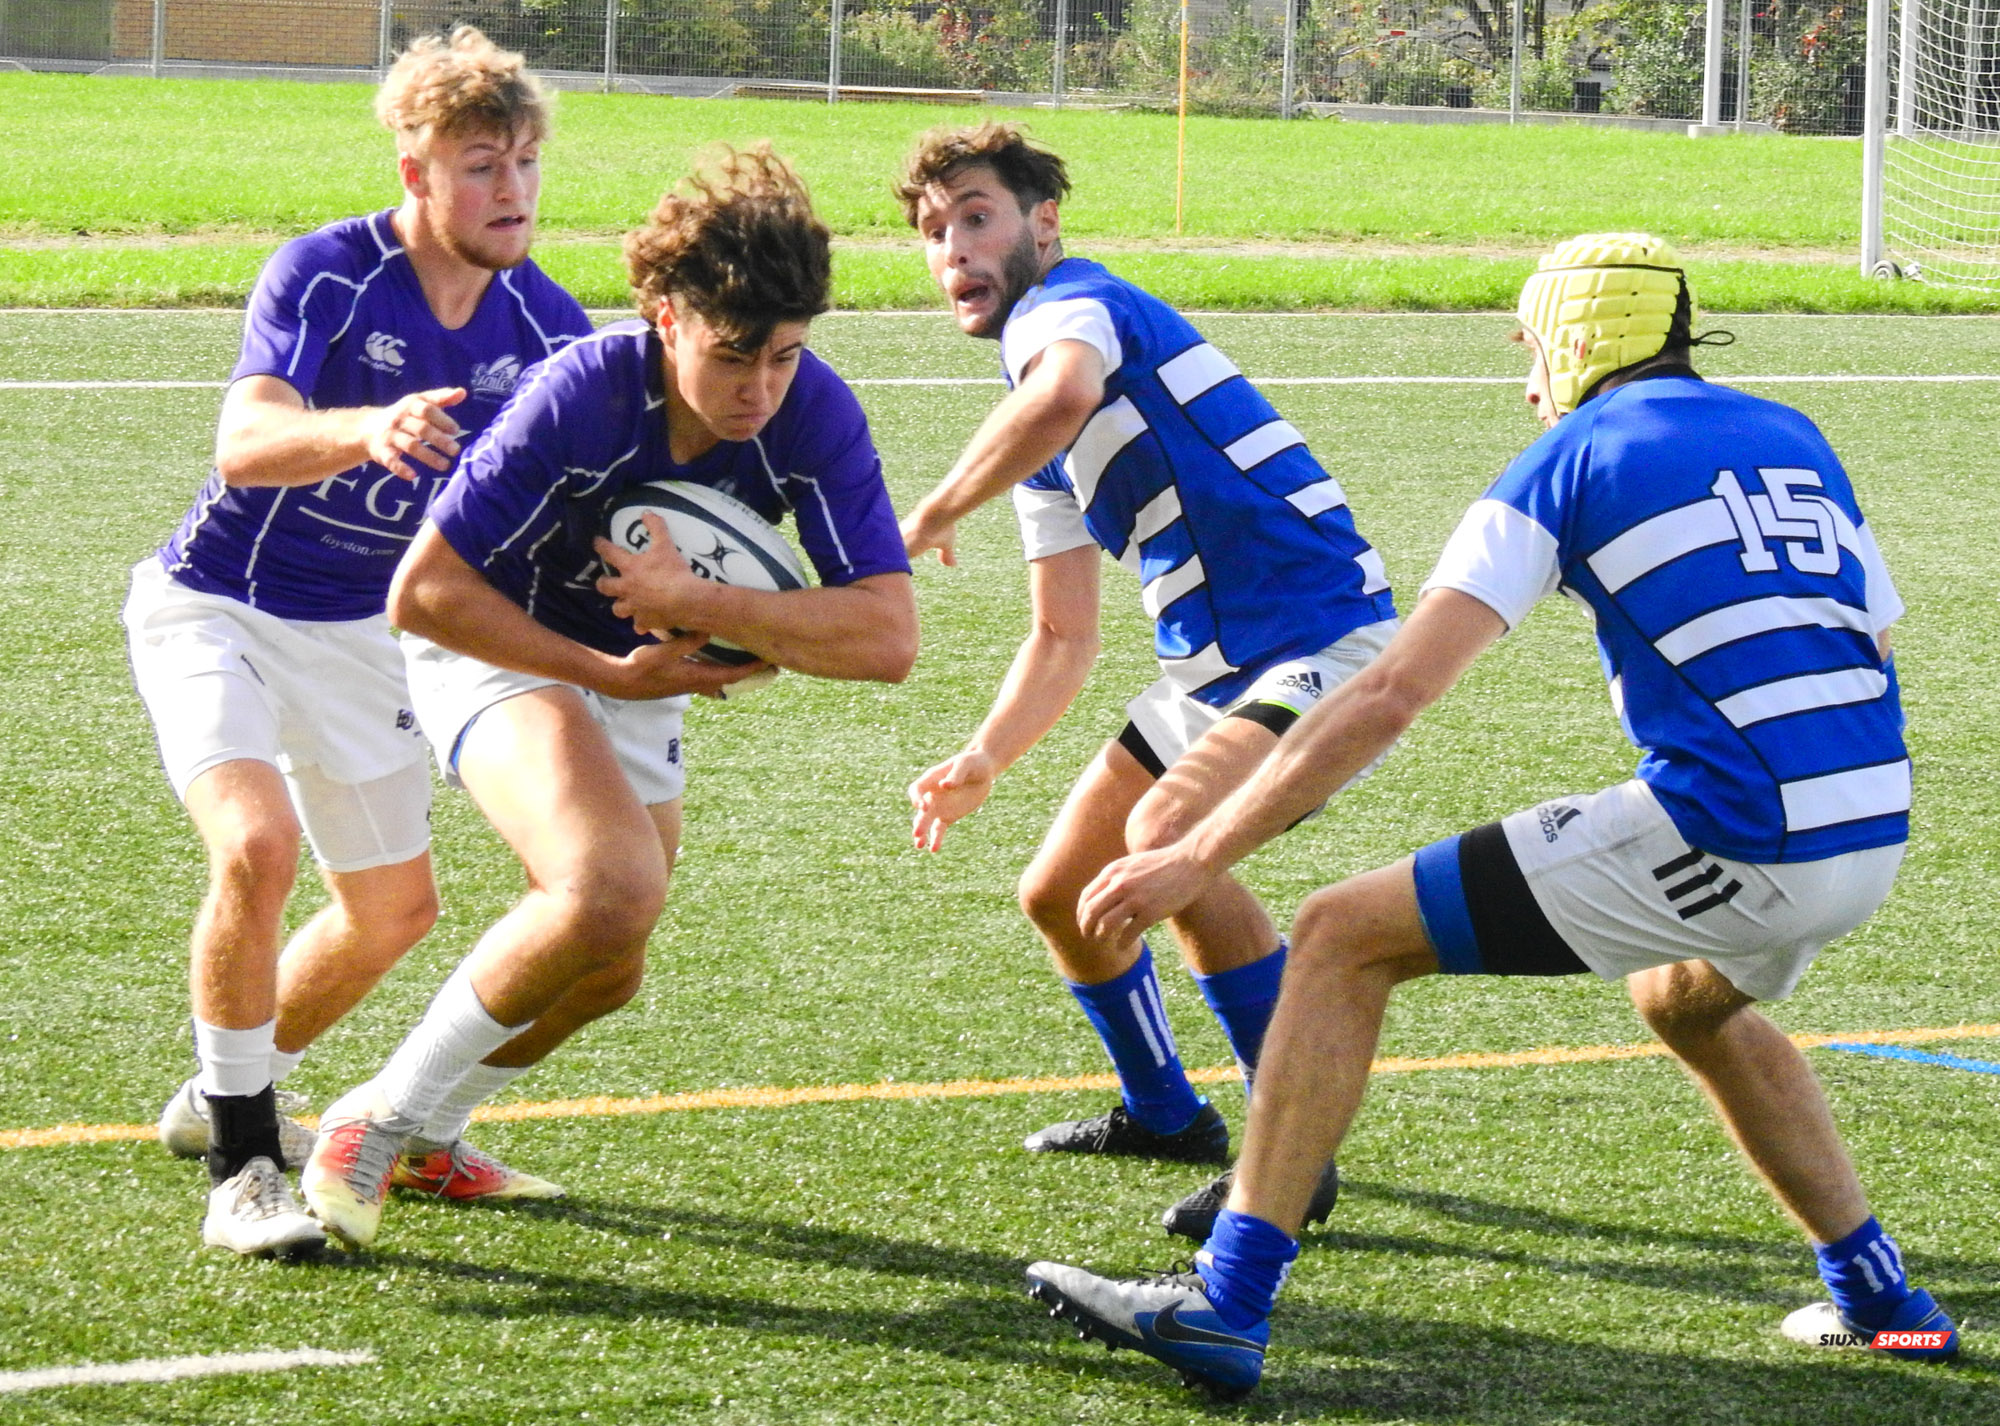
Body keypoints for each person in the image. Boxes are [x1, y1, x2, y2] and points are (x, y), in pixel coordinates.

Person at [1023, 234, 1960, 1397]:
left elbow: (1390, 690)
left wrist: (1197, 851)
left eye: (1530, 348)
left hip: (1735, 827)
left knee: (1335, 934)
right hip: (1870, 822)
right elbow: (1869, 636)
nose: (1526, 380)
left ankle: (1225, 1302)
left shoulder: (1562, 460)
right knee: (1682, 995)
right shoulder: (1792, 434)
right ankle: (1887, 1305)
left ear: (1574, 339)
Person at [298, 146, 918, 1250]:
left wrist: (708, 603)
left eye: (785, 355)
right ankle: (375, 1115)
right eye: (735, 355)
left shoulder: (812, 412)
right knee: (609, 884)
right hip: (498, 639)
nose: (759, 389)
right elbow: (422, 594)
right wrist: (608, 668)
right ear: (666, 313)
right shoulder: (582, 390)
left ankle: (437, 1128)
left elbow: (885, 637)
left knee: (607, 967)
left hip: (638, 672)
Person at [122, 26, 591, 1258]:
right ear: (415, 170)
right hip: (218, 605)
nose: (514, 190)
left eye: (528, 162)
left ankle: (221, 1086)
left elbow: (588, 490)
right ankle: (242, 1163)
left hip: (370, 640)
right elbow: (244, 444)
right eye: (483, 164)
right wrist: (365, 426)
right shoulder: (325, 274)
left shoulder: (546, 330)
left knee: (390, 910)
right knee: (257, 845)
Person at [895, 123, 1390, 1235]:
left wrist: (925, 513)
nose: (954, 250)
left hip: (1322, 647)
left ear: (1043, 224)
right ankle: (1166, 1111)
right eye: (934, 233)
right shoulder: (1038, 416)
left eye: (976, 216)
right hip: (1209, 680)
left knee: (1165, 833)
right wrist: (983, 756)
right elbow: (1061, 637)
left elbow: (1061, 389)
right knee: (1060, 896)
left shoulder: (1070, 308)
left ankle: (1289, 1153)